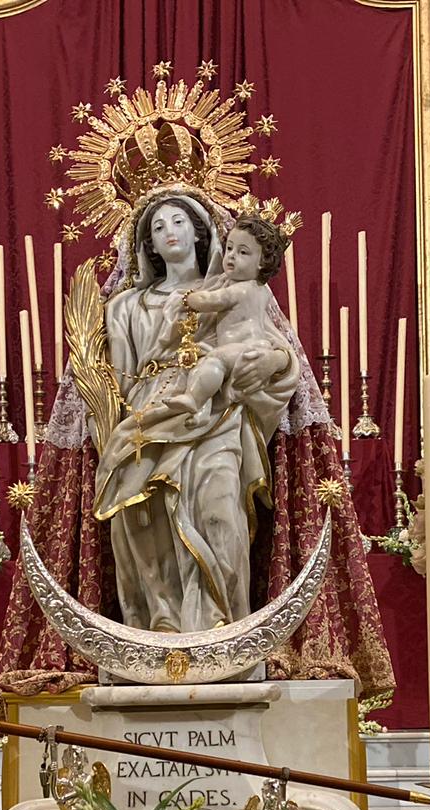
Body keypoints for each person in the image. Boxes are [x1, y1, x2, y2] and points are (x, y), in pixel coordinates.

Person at [93, 192, 298, 633]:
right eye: (158, 226)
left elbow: (272, 346)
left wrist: (276, 362)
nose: (169, 232)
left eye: (179, 222)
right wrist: (124, 425)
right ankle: (164, 623)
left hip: (218, 411)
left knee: (219, 507)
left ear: (202, 232)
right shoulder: (125, 306)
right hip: (152, 411)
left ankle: (224, 626)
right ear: (146, 243)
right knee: (145, 515)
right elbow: (118, 378)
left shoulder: (235, 291)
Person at [164, 216, 291, 429]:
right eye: (230, 248)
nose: (231, 256)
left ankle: (194, 400)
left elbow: (213, 300)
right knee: (205, 367)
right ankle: (201, 409)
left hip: (243, 349)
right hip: (245, 348)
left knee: (214, 362)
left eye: (242, 252)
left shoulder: (241, 289)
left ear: (262, 262)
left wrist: (187, 298)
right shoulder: (257, 289)